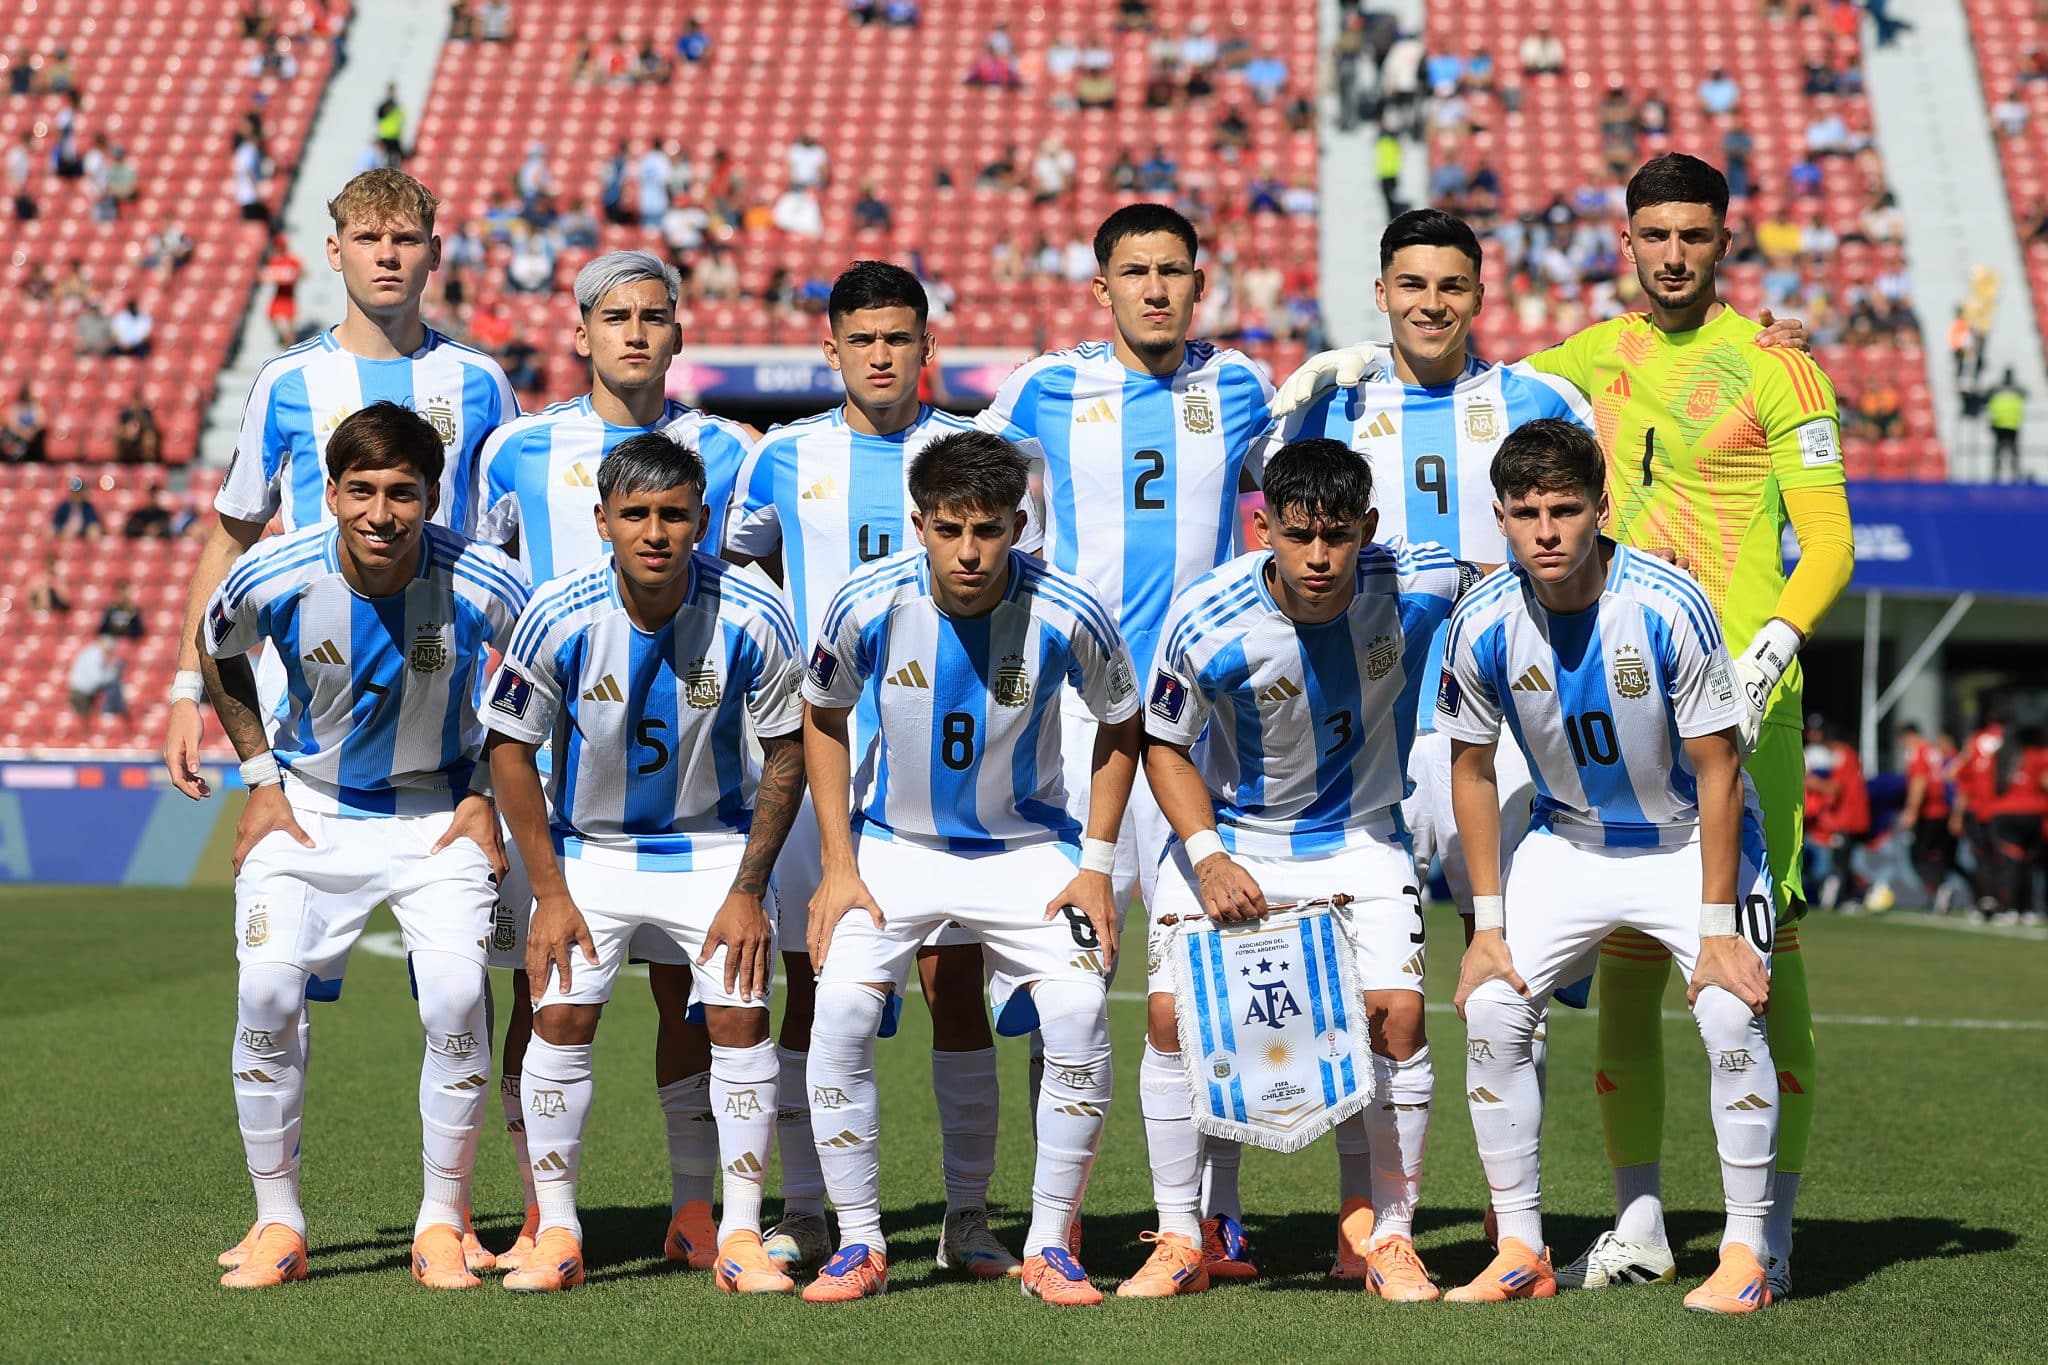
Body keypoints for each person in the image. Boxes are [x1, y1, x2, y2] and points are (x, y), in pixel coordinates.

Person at [1278, 154, 1847, 1297]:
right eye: (1653, 235)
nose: (1673, 255)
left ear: (1724, 241)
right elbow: (1457, 368)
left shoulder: (1777, 365)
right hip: (1607, 697)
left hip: (1741, 702)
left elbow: (1827, 542)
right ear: (1623, 243)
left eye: (1693, 234)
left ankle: (1766, 1236)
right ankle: (1636, 1224)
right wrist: (1345, 365)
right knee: (1623, 978)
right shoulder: (1587, 360)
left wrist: (1770, 649)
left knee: (1755, 974)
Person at [1264, 208, 1594, 1260]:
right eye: (1411, 284)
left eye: (1452, 284)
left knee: (1509, 971)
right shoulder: (1332, 406)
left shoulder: (1535, 400)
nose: (1431, 303)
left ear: (1479, 294)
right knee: (1362, 983)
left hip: (1506, 732)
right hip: (1367, 730)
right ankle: (1365, 1213)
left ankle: (1510, 1212)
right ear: (1381, 294)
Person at [976, 202, 1275, 1273]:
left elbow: (1308, 494)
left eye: (1173, 270)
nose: (1155, 288)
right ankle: (1053, 1217)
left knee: (1203, 976)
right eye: (1134, 271)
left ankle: (1214, 1214)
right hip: (1078, 723)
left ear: (1199, 282)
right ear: (1099, 288)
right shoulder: (1043, 387)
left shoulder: (1241, 386)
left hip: (1202, 726)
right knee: (1066, 974)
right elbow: (953, 471)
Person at [724, 262, 1030, 1278]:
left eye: (899, 338)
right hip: (822, 757)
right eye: (862, 340)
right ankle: (809, 1212)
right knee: (813, 987)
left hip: (943, 760)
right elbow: (743, 574)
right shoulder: (781, 457)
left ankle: (966, 1217)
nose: (882, 356)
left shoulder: (973, 455)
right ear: (832, 350)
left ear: (926, 345)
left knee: (955, 985)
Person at [1437, 418, 1778, 1315]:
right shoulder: (1480, 620)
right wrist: (1486, 926)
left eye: (1564, 509)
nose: (1546, 531)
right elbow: (1471, 768)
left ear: (1600, 508)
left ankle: (1746, 1253)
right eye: (1525, 513)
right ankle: (1521, 1247)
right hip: (1569, 839)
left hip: (1687, 840)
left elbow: (1719, 768)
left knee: (1728, 1008)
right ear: (1501, 518)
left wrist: (1717, 930)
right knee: (1494, 1004)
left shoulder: (1669, 603)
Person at [798, 430, 1138, 1306]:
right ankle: (861, 1243)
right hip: (894, 847)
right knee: (838, 1009)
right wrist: (838, 863)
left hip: (1027, 849)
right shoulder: (865, 602)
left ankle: (1049, 1245)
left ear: (1019, 525)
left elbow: (1121, 720)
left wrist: (1096, 864)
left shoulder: (1069, 608)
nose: (969, 551)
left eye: (988, 529)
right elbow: (823, 715)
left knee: (1078, 1008)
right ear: (919, 525)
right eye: (949, 529)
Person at [196, 402, 528, 1290]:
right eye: (363, 491)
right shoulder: (275, 571)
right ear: (334, 493)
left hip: (437, 811)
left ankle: (443, 1221)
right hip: (308, 805)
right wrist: (260, 776)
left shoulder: (486, 581)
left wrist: (484, 787)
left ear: (431, 498)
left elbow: (543, 670)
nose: (382, 513)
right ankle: (277, 1220)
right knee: (266, 992)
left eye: (403, 493)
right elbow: (216, 645)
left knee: (456, 996)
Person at [1125, 438, 1463, 1301]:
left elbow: (1515, 572)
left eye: (1338, 535)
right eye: (1299, 534)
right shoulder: (1206, 616)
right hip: (1235, 836)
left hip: (1362, 834)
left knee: (1397, 1018)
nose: (1319, 556)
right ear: (1263, 528)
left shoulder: (1417, 580)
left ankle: (1389, 1237)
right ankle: (1179, 1235)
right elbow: (1162, 745)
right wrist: (1208, 856)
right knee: (1168, 1017)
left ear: (1367, 530)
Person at [469, 251, 756, 1271]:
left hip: (693, 776)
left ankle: (696, 1210)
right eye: (614, 316)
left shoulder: (733, 450)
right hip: (551, 776)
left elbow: (750, 595)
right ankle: (538, 1211)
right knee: (539, 994)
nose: (634, 333)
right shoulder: (515, 449)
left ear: (678, 332)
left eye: (653, 316)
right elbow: (483, 593)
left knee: (690, 998)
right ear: (580, 331)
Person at [483, 436, 806, 1293]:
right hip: (589, 849)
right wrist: (548, 891)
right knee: (558, 1017)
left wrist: (748, 889)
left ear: (703, 520)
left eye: (673, 514)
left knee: (737, 1017)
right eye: (635, 514)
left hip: (712, 847)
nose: (655, 532)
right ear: (603, 521)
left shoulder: (755, 610)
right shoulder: (557, 612)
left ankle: (737, 1232)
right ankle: (557, 1230)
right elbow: (508, 747)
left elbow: (787, 750)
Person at [164, 168, 518, 810]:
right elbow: (230, 541)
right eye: (367, 238)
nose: (387, 255)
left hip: (444, 716)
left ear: (435, 253)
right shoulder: (286, 380)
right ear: (334, 250)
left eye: (406, 239)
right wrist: (187, 692)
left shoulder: (482, 381)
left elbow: (507, 551)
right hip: (306, 725)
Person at [1896, 722, 1958, 906]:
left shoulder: (1918, 752)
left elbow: (1920, 781)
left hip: (1928, 812)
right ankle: (1939, 892)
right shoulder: (1934, 751)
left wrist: (1911, 810)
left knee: (1918, 855)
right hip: (1944, 810)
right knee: (1937, 854)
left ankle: (1937, 889)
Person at [67, 632, 126, 717]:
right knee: (83, 718)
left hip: (84, 690)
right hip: (82, 692)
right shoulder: (95, 654)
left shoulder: (94, 652)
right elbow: (97, 678)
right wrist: (113, 673)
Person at [264, 235, 303, 346]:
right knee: (271, 316)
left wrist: (295, 275)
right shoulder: (274, 260)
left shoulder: (292, 260)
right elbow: (268, 274)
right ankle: (282, 337)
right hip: (279, 294)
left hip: (289, 295)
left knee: (290, 322)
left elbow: (303, 273)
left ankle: (290, 344)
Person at [1988, 369, 2025, 481]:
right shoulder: (2017, 391)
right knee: (2012, 453)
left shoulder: (1997, 390)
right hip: (2012, 425)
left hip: (2000, 425)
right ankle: (2014, 475)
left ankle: (1997, 475)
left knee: (2000, 453)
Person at [0, 383, 46, 462]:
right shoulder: (15, 408)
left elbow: (40, 423)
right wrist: (23, 433)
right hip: (18, 437)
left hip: (33, 438)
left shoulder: (36, 408)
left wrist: (31, 433)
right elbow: (13, 424)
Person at [113, 393, 162, 464]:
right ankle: (120, 462)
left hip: (142, 434)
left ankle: (149, 463)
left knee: (149, 438)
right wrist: (127, 431)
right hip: (127, 435)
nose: (136, 405)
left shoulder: (146, 412)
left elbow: (150, 427)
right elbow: (120, 427)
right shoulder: (126, 413)